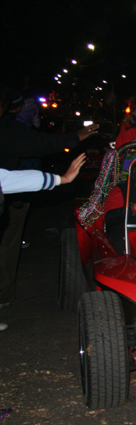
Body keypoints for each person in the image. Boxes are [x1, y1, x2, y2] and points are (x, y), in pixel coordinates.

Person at [0, 88, 98, 313]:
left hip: (15, 192)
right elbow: (37, 143)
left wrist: (60, 179)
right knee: (8, 243)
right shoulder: (8, 130)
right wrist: (75, 138)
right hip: (15, 195)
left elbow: (7, 179)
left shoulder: (11, 127)